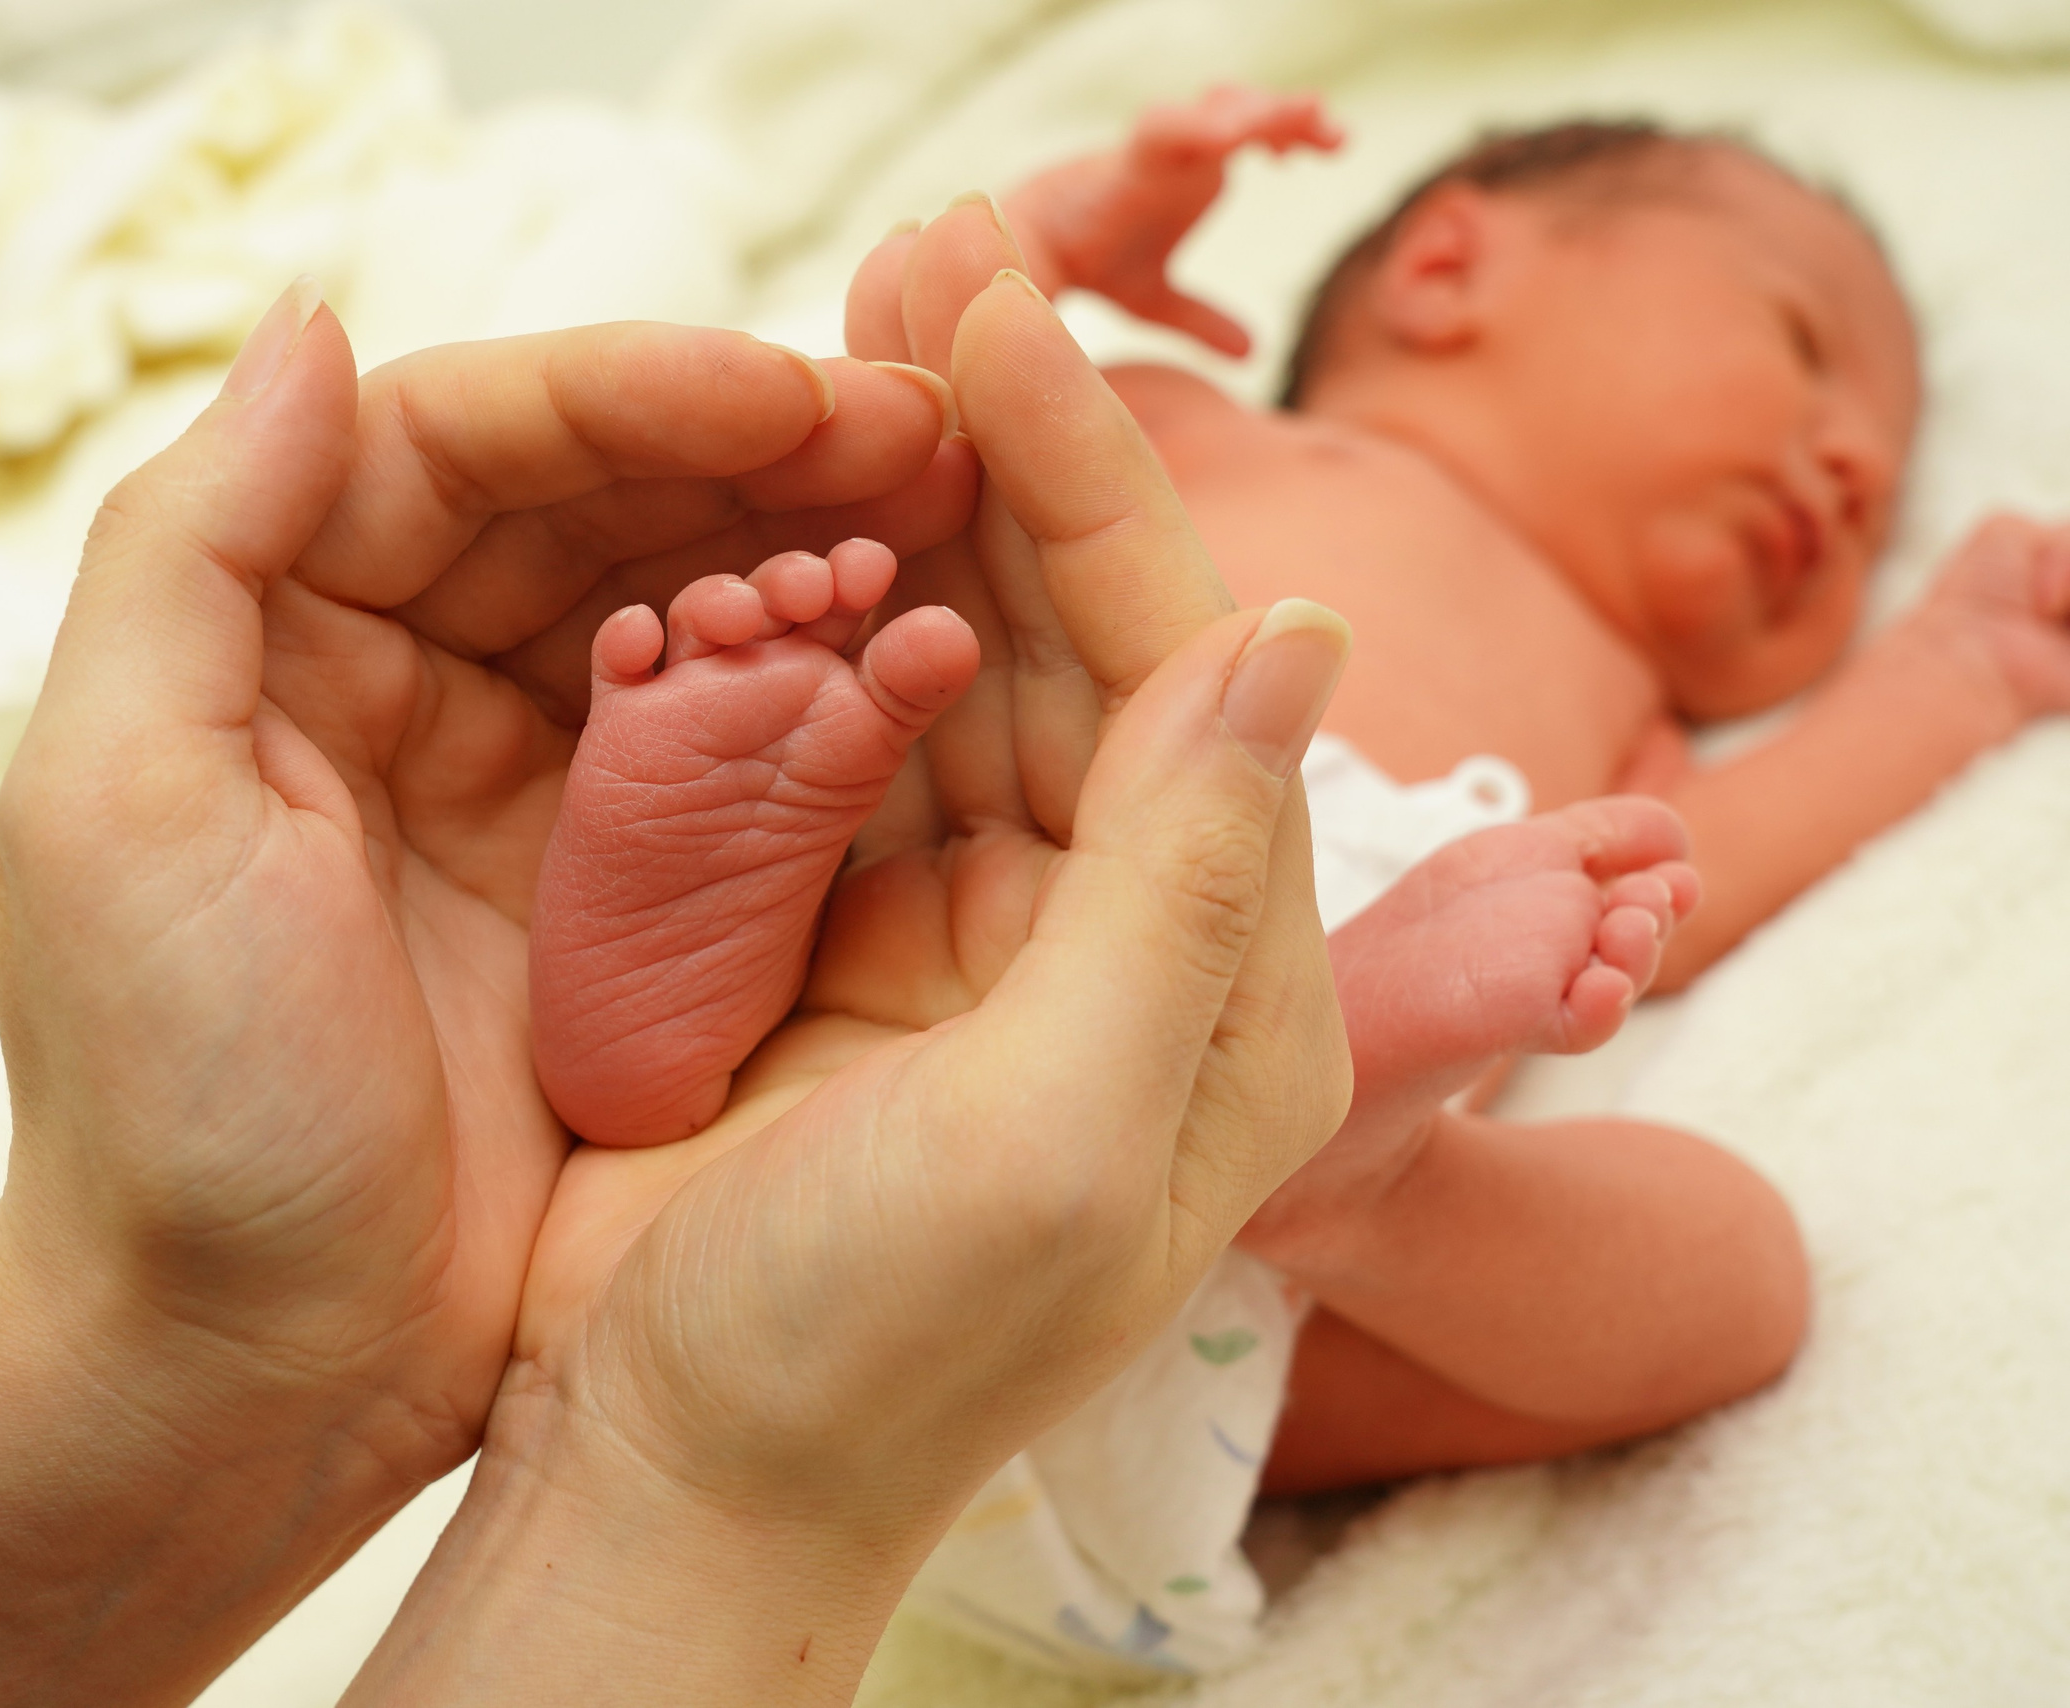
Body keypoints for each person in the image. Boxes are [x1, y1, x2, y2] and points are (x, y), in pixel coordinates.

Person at [0, 266, 1354, 1704]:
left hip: (1223, 907)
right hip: (1159, 873)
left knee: (1600, 1252)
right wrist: (705, 1494)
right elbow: (1004, 396)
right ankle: (1361, 1116)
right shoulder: (1275, 427)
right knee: (1418, 1176)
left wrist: (187, 1331)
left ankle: (1379, 1118)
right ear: (1451, 262)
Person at [517, 102, 1996, 1672]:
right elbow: (927, 400)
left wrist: (1957, 667)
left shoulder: (1633, 708)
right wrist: (1047, 246)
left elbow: (1705, 866)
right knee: (905, 630)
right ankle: (698, 1020)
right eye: (1802, 344)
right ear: (1447, 271)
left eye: (1888, 497)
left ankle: (1342, 1178)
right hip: (975, 941)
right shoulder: (1182, 424)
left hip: (1141, 1348)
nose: (1853, 470)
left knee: (1742, 1279)